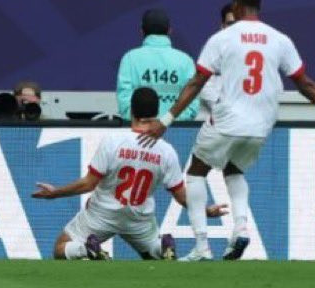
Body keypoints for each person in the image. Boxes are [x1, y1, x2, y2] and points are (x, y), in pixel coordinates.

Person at [137, 0, 315, 261]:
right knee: (233, 170)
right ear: (259, 4)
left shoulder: (222, 38)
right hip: (261, 125)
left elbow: (196, 82)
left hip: (228, 120)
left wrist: (165, 120)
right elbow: (305, 84)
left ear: (236, 4)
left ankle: (202, 246)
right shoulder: (279, 39)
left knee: (195, 173)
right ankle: (241, 227)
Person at [32, 87, 226, 260]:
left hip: (103, 213)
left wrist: (55, 193)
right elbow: (181, 195)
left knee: (61, 247)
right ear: (157, 112)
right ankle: (160, 247)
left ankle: (85, 249)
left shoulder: (113, 142)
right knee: (153, 254)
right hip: (139, 218)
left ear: (131, 111)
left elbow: (88, 184)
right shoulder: (166, 151)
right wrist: (205, 210)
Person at [117, 9, 199, 120]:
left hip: (140, 129)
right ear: (169, 31)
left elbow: (125, 105)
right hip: (176, 128)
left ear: (141, 31)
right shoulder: (185, 61)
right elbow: (192, 105)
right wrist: (167, 122)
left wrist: (145, 123)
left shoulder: (130, 59)